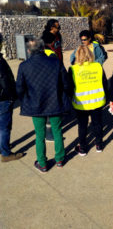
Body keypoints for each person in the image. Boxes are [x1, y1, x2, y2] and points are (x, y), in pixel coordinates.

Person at [16, 38, 71, 173]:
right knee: (57, 131)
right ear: (42, 48)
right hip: (55, 102)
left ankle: (42, 163)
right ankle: (59, 159)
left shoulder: (24, 66)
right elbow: (66, 83)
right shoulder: (56, 62)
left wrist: (24, 99)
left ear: (28, 50)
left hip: (36, 104)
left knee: (39, 135)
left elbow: (19, 88)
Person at [68, 45, 108, 156]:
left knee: (82, 126)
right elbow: (104, 83)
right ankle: (99, 144)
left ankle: (83, 148)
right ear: (90, 54)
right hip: (97, 101)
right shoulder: (98, 66)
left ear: (77, 56)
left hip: (81, 104)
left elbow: (69, 87)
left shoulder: (73, 69)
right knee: (97, 123)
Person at [0, 33, 23, 162]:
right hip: (3, 99)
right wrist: (13, 95)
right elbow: (4, 80)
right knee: (4, 127)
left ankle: (2, 146)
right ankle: (5, 153)